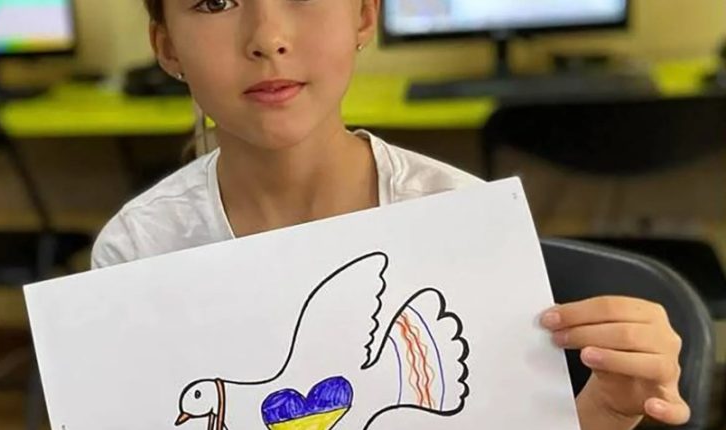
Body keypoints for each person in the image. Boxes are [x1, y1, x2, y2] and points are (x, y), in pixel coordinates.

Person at [91, 1, 690, 428]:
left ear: (364, 15)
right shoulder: (139, 249)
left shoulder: (460, 220)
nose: (267, 38)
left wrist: (602, 413)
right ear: (166, 46)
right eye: (215, 1)